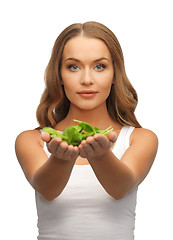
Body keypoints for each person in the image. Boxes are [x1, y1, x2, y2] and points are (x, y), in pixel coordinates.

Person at [15, 21, 158, 240]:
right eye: (73, 67)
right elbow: (47, 190)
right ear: (59, 75)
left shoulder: (140, 138)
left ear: (114, 74)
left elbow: (120, 188)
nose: (87, 79)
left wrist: (100, 155)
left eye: (99, 66)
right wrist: (62, 159)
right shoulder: (32, 140)